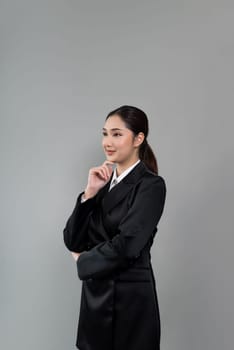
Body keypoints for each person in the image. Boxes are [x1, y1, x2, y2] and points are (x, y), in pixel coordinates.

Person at [63, 105, 167, 350]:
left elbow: (128, 244)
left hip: (129, 303)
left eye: (117, 134)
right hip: (95, 299)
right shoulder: (103, 183)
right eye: (105, 133)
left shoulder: (151, 185)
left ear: (138, 139)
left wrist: (83, 262)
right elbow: (72, 241)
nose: (107, 142)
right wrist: (89, 194)